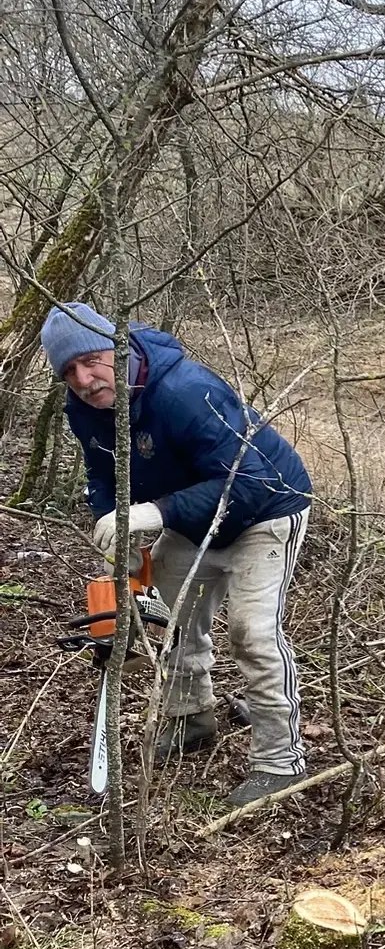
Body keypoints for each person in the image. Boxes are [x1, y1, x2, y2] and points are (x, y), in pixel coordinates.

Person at [41, 302, 313, 808]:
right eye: (70, 371)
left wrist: (157, 513)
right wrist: (116, 528)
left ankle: (281, 762)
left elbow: (248, 480)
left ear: (116, 348)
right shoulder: (85, 408)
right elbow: (102, 474)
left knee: (252, 632)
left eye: (93, 360)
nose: (84, 378)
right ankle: (192, 715)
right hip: (190, 516)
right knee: (174, 618)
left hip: (267, 510)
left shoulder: (186, 391)